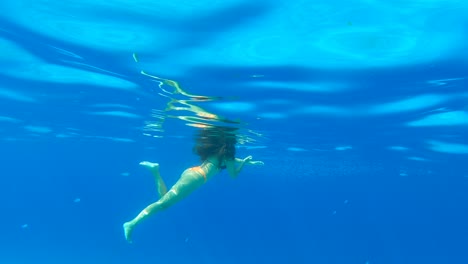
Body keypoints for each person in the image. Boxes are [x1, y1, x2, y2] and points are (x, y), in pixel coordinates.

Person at [123, 126, 264, 243]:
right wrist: (244, 163)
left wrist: (246, 161)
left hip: (193, 172)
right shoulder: (228, 154)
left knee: (164, 201)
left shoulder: (221, 150)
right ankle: (131, 223)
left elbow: (229, 160)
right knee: (162, 204)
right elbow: (233, 175)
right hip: (197, 178)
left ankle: (155, 171)